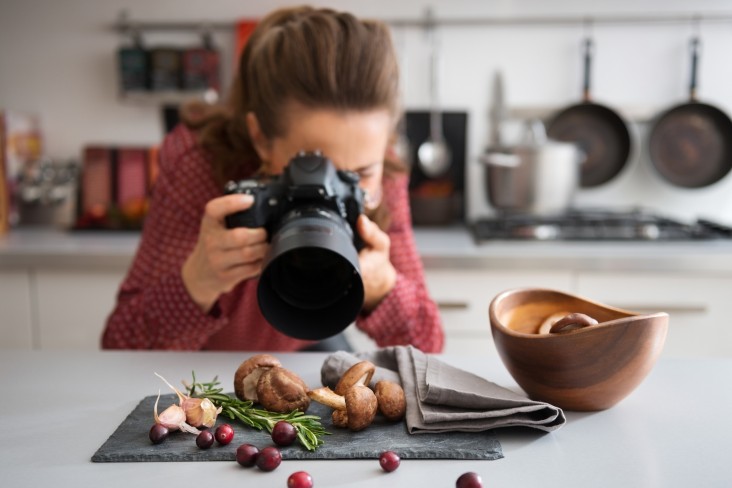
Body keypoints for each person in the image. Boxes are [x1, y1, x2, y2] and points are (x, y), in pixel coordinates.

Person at [101, 6, 444, 352]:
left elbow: (428, 347)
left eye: (360, 174)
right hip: (201, 359)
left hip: (304, 342)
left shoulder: (383, 170)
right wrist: (197, 282)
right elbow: (121, 347)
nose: (330, 190)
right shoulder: (199, 162)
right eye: (311, 167)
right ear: (260, 138)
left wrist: (384, 288)